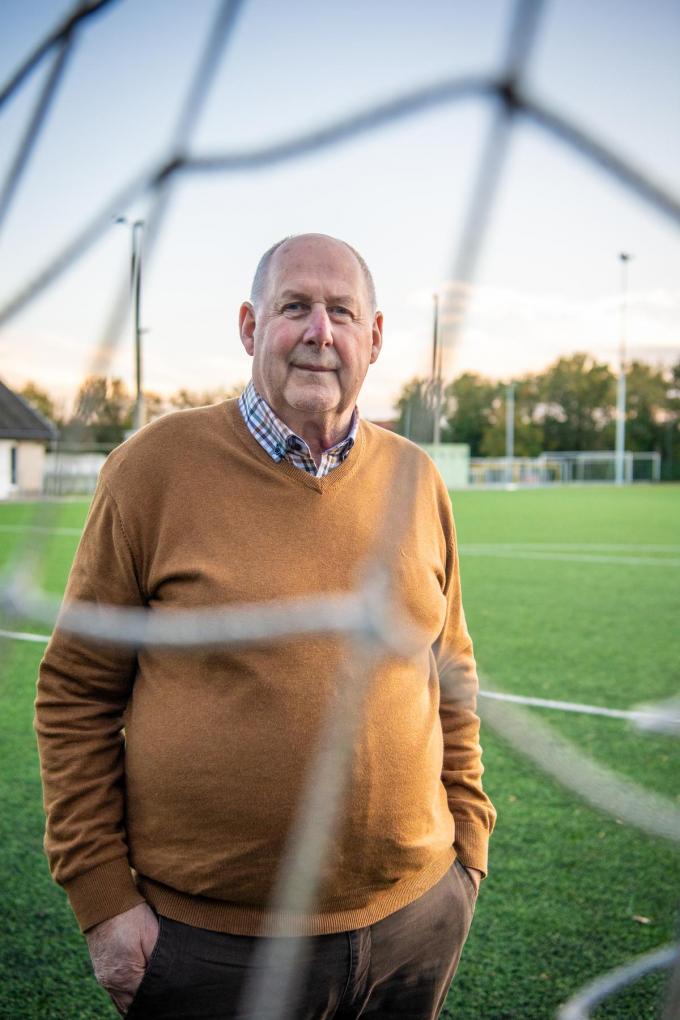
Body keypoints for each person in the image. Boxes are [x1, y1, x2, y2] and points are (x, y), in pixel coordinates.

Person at [36, 233, 496, 1019]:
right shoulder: (152, 470)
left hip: (415, 924)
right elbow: (75, 694)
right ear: (251, 328)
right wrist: (105, 901)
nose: (321, 332)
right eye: (295, 308)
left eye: (343, 312)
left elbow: (451, 672)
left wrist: (468, 848)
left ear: (374, 339)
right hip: (212, 948)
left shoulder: (416, 479)